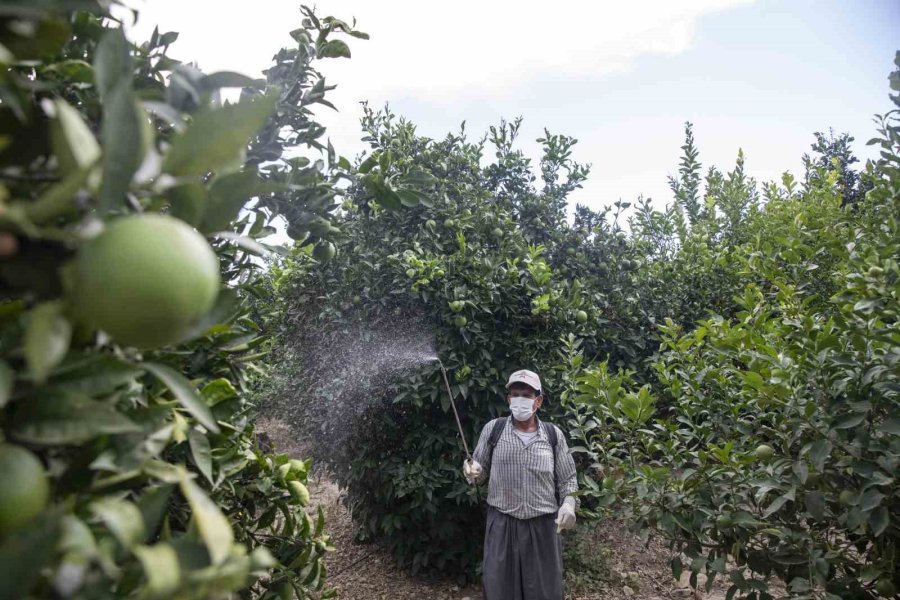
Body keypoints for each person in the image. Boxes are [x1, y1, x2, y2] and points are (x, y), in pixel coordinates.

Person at [462, 369, 579, 600]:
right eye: (515, 394)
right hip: (502, 524)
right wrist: (471, 472)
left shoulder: (553, 435)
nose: (520, 399)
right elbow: (478, 473)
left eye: (526, 394)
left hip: (544, 526)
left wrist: (569, 504)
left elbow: (569, 479)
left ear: (539, 400)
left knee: (545, 593)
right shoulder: (493, 430)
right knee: (499, 592)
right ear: (508, 400)